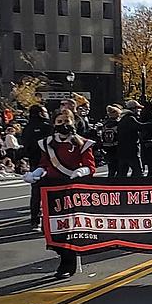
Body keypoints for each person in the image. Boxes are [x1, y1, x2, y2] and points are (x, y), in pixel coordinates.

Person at [23, 109, 96, 278]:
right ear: (54, 123)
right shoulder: (47, 144)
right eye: (60, 121)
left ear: (73, 122)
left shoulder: (83, 143)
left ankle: (67, 263)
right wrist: (36, 173)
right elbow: (45, 163)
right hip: (53, 189)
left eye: (67, 121)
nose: (64, 125)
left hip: (72, 189)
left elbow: (90, 166)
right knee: (55, 227)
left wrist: (81, 171)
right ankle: (63, 255)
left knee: (70, 227)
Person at [21, 104, 54, 229]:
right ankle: (52, 218)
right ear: (41, 113)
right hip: (50, 162)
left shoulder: (27, 128)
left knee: (36, 192)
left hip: (34, 162)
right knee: (52, 191)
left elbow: (24, 143)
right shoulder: (47, 126)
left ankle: (35, 219)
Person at [115, 100, 144, 177]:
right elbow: (140, 126)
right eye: (138, 108)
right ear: (133, 108)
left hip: (122, 149)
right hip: (131, 149)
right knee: (138, 172)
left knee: (122, 172)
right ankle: (136, 187)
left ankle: (121, 187)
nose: (139, 110)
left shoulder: (123, 119)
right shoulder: (130, 118)